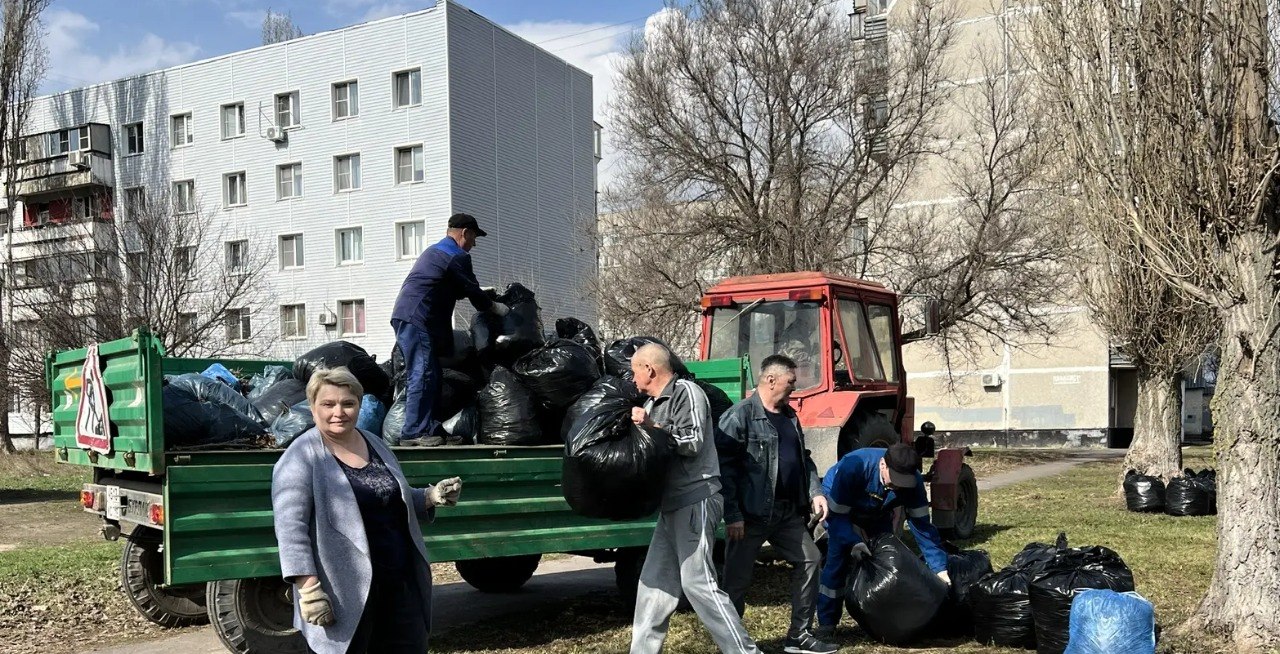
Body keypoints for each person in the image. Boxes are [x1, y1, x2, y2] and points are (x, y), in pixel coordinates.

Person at [272, 367, 463, 654]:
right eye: (328, 404)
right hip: (343, 594)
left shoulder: (374, 443)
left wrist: (430, 496)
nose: (339, 412)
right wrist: (308, 589)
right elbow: (290, 530)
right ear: (312, 407)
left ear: (359, 406)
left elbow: (388, 496)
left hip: (398, 584)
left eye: (348, 403)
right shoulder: (300, 456)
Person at [628, 343, 760, 654]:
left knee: (698, 584)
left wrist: (651, 427)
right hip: (671, 504)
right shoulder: (650, 404)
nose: (632, 378)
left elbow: (692, 440)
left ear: (649, 369)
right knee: (653, 584)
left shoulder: (686, 392)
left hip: (695, 498)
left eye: (634, 371)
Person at [717, 354, 837, 654]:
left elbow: (803, 459)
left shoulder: (790, 416)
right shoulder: (739, 416)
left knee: (810, 560)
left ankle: (799, 636)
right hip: (749, 517)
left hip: (786, 513)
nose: (795, 388)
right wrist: (732, 514)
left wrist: (816, 492)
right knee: (736, 582)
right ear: (771, 380)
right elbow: (724, 470)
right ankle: (731, 643)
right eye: (791, 382)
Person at [390, 212, 507, 443]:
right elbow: (473, 294)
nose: (474, 244)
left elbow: (458, 287)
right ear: (465, 233)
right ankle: (413, 432)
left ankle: (430, 428)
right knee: (423, 373)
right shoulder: (455, 255)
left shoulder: (437, 252)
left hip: (415, 317)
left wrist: (481, 291)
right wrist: (496, 307)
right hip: (417, 318)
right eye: (474, 237)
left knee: (432, 376)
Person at [814, 442, 950, 640]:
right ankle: (827, 624)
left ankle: (884, 618)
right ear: (882, 465)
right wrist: (853, 542)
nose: (898, 486)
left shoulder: (913, 482)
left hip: (877, 512)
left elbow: (922, 527)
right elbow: (837, 517)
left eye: (903, 483)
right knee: (837, 561)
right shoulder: (853, 468)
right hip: (841, 507)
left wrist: (940, 568)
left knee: (886, 560)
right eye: (894, 481)